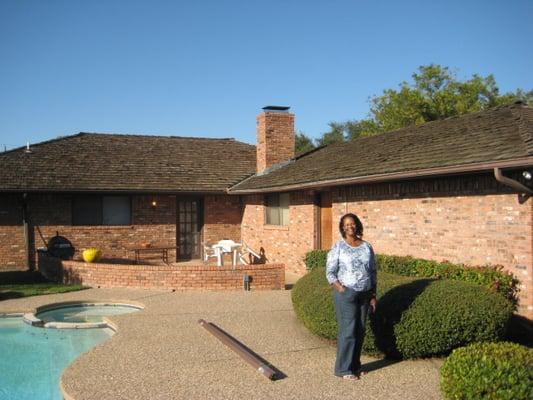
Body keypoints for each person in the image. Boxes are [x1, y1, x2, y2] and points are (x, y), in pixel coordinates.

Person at [326, 213, 377, 381]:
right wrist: (341, 288)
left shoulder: (366, 246)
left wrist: (372, 295)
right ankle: (343, 369)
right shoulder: (338, 247)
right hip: (346, 294)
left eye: (353, 223)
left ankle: (355, 365)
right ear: (342, 227)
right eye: (346, 224)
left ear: (357, 225)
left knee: (360, 331)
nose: (350, 226)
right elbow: (330, 272)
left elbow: (372, 272)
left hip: (364, 294)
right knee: (348, 332)